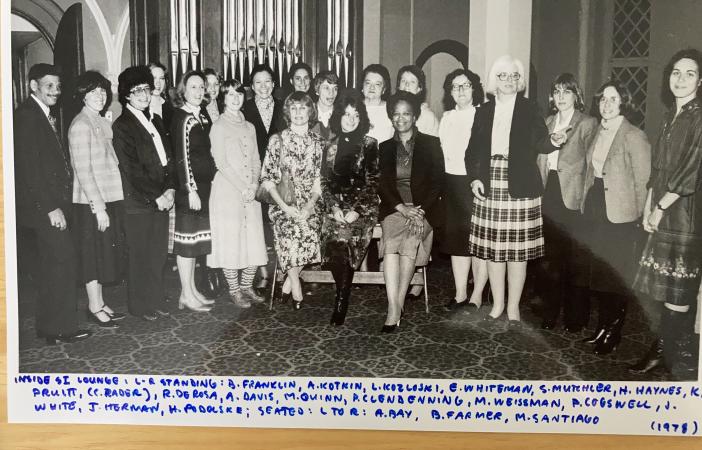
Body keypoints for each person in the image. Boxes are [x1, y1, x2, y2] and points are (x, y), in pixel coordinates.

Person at [466, 55, 567, 328]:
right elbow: (472, 151)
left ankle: (513, 307)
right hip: (490, 182)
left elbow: (541, 142)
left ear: (519, 81)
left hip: (520, 184)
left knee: (517, 252)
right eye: (503, 76)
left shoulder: (529, 108)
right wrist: (474, 178)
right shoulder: (483, 111)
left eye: (514, 76)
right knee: (495, 250)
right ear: (494, 81)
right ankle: (498, 304)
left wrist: (554, 141)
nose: (509, 81)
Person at [631, 48, 702, 379]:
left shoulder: (699, 117)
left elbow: (690, 172)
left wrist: (660, 207)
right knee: (668, 287)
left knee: (678, 288)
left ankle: (665, 353)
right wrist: (648, 201)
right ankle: (671, 349)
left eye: (689, 73)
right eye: (676, 72)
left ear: (700, 81)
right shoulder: (670, 115)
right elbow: (658, 168)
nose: (681, 79)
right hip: (663, 206)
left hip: (685, 213)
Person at [14, 63, 92, 344]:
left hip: (50, 207)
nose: (55, 92)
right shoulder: (26, 116)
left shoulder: (39, 113)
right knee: (62, 262)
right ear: (33, 85)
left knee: (53, 266)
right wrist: (50, 207)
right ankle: (61, 328)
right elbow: (29, 169)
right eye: (49, 86)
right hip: (45, 209)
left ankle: (50, 328)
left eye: (58, 86)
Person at [580, 80, 651, 354]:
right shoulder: (599, 130)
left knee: (615, 275)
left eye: (612, 99)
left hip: (621, 214)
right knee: (599, 273)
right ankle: (602, 327)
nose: (606, 105)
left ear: (623, 103)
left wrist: (639, 217)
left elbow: (643, 181)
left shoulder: (633, 135)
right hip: (597, 206)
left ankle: (614, 332)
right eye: (602, 100)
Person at [113, 65, 176, 321]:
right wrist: (157, 196)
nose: (143, 94)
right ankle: (139, 305)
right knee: (140, 255)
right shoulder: (122, 126)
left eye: (146, 89)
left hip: (162, 196)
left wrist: (171, 187)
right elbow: (132, 170)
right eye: (136, 90)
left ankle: (155, 298)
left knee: (158, 253)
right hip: (139, 203)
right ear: (126, 95)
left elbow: (169, 159)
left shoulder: (157, 120)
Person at [536, 73, 598, 332]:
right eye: (557, 92)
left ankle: (575, 317)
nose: (561, 97)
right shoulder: (547, 122)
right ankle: (550, 312)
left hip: (572, 196)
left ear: (576, 96)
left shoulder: (586, 123)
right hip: (547, 191)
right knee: (550, 257)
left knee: (574, 260)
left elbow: (592, 165)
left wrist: (586, 199)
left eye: (567, 92)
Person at [378, 91, 445, 332]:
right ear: (391, 118)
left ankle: (397, 304)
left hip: (423, 209)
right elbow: (382, 184)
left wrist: (420, 210)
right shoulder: (384, 148)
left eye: (406, 113)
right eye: (396, 114)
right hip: (395, 208)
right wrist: (401, 208)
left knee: (408, 243)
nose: (401, 118)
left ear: (415, 116)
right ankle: (393, 306)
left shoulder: (431, 143)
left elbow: (438, 182)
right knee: (391, 246)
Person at [68, 70, 126, 328]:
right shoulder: (81, 125)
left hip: (108, 197)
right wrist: (99, 207)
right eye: (93, 92)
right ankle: (93, 306)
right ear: (83, 96)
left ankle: (100, 302)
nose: (99, 96)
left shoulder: (100, 121)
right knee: (92, 256)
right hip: (91, 203)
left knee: (103, 254)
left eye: (102, 91)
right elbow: (83, 171)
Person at [259, 91, 324, 310]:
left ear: (310, 111)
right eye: (293, 108)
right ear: (288, 111)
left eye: (303, 108)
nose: (298, 113)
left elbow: (319, 181)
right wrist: (285, 207)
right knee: (290, 230)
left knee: (311, 230)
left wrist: (309, 206)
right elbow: (267, 178)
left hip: (310, 204)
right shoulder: (278, 140)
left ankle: (286, 284)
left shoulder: (318, 143)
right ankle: (296, 286)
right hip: (282, 204)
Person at [320, 94, 380, 325]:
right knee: (335, 241)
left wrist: (356, 209)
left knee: (345, 239)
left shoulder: (369, 144)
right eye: (347, 114)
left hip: (362, 207)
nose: (351, 119)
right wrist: (334, 207)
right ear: (338, 116)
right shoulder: (330, 146)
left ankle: (340, 301)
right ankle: (342, 295)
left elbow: (373, 182)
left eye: (356, 115)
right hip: (335, 206)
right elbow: (324, 182)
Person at [208, 79, 268, 308]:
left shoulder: (250, 126)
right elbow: (221, 163)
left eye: (239, 94)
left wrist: (253, 185)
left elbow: (256, 159)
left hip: (249, 192)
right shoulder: (219, 126)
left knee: (253, 241)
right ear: (223, 99)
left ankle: (246, 286)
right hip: (228, 192)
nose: (235, 98)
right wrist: (242, 187)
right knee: (231, 242)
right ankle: (234, 290)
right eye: (230, 94)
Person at [438, 68, 488, 313]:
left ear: (474, 89)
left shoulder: (483, 115)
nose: (460, 90)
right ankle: (460, 293)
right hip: (451, 183)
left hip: (474, 184)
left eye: (465, 85)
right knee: (457, 241)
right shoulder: (446, 117)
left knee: (477, 242)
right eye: (455, 86)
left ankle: (477, 294)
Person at [170, 70, 217, 312]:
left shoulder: (201, 115)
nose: (198, 92)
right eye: (193, 88)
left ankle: (189, 291)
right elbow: (182, 157)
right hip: (191, 190)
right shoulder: (182, 118)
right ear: (183, 91)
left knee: (196, 241)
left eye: (201, 87)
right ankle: (187, 294)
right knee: (187, 243)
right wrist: (191, 189)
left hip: (204, 188)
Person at [242, 64, 286, 293]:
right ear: (252, 86)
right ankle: (264, 273)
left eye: (267, 81)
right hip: (255, 175)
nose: (263, 86)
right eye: (258, 82)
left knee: (278, 224)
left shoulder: (284, 107)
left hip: (281, 176)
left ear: (274, 83)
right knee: (259, 226)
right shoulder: (245, 109)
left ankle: (283, 271)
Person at [396, 65, 439, 136]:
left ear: (419, 88)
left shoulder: (428, 117)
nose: (406, 85)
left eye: (412, 82)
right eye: (403, 81)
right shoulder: (391, 111)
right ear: (398, 86)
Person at [361, 64, 394, 143]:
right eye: (368, 83)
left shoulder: (391, 109)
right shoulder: (353, 107)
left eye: (377, 84)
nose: (372, 87)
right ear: (362, 86)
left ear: (384, 89)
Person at [311, 71, 339, 141]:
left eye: (335, 88)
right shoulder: (308, 112)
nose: (331, 93)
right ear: (317, 90)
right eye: (326, 88)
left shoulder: (342, 114)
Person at [149, 62, 173, 128]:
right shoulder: (141, 107)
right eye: (154, 78)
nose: (158, 83)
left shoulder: (170, 107)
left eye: (161, 78)